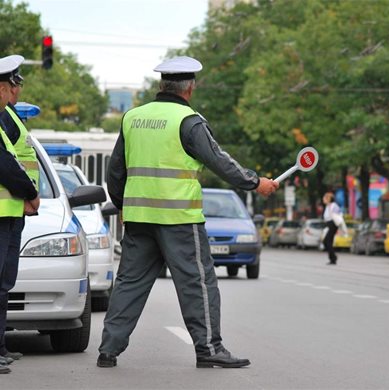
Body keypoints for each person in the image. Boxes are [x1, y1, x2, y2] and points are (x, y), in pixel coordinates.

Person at [97, 56, 279, 369]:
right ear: (190, 89)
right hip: (179, 220)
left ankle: (108, 350)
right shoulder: (188, 121)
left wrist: (124, 206)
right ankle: (209, 348)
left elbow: (115, 171)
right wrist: (255, 182)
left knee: (129, 283)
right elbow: (219, 160)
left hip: (139, 220)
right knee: (198, 283)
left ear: (161, 85)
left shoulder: (132, 118)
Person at [0, 54, 40, 375]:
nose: (17, 90)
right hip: (7, 210)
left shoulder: (8, 116)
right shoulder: (3, 119)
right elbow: (6, 166)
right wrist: (30, 192)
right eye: (14, 85)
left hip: (11, 211)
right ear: (2, 87)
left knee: (3, 284)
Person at [322, 192, 342, 265]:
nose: (323, 200)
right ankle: (333, 258)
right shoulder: (328, 206)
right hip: (329, 224)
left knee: (327, 241)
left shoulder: (333, 205)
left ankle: (333, 257)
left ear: (328, 199)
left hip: (333, 224)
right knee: (327, 242)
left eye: (324, 198)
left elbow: (339, 214)